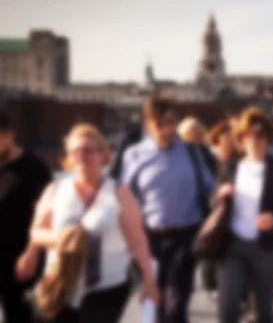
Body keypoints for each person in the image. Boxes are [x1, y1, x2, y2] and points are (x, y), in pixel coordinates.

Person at [15, 123, 159, 323]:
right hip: (59, 285)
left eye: (89, 150)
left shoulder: (120, 194)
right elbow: (37, 231)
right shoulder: (55, 190)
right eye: (75, 151)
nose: (82, 155)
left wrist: (149, 282)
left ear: (102, 154)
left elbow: (138, 242)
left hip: (106, 289)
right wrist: (54, 241)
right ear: (68, 158)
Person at [121, 95, 215, 323]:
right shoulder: (134, 156)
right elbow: (125, 198)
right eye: (160, 124)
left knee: (176, 304)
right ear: (148, 126)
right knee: (154, 303)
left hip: (185, 236)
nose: (167, 129)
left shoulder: (192, 153)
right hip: (148, 240)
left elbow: (210, 187)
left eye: (171, 122)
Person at [213, 107, 273, 323]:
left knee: (263, 313)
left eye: (260, 135)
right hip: (233, 246)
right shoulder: (231, 166)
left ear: (268, 138)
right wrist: (220, 195)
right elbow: (212, 202)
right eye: (248, 135)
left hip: (269, 248)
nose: (255, 140)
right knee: (228, 308)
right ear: (241, 139)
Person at [0, 111, 52, 323]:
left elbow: (46, 215)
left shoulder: (33, 168)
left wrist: (32, 253)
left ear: (10, 135)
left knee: (19, 317)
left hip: (19, 261)